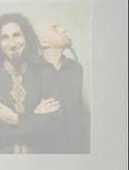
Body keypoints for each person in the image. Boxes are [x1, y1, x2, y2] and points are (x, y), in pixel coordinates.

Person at [0, 12, 62, 153]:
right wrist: (35, 118)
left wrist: (14, 119)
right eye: (5, 37)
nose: (12, 43)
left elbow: (54, 126)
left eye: (17, 35)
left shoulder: (46, 73)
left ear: (26, 37)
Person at [35, 19, 90, 153]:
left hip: (77, 150)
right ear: (44, 42)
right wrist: (33, 114)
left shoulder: (76, 68)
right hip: (45, 152)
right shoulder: (29, 71)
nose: (63, 29)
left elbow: (80, 110)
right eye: (55, 28)